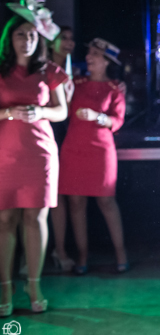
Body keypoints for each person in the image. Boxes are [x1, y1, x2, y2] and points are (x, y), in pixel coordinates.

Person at [0, 0, 68, 316]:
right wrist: (8, 113)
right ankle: (5, 287)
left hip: (40, 153)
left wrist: (40, 111)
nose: (26, 40)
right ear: (9, 38)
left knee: (35, 217)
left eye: (31, 34)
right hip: (5, 154)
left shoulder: (49, 70)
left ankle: (34, 284)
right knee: (5, 219)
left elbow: (61, 110)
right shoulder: (1, 70)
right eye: (20, 34)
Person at [58, 38, 128, 275]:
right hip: (74, 148)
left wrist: (97, 116)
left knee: (106, 201)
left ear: (107, 61)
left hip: (101, 150)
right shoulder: (76, 83)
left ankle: (121, 253)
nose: (89, 57)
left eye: (95, 54)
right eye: (89, 53)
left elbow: (117, 120)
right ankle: (82, 255)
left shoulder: (115, 88)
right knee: (76, 203)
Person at [48, 26, 77, 272]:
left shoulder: (73, 71)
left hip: (68, 135)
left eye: (71, 39)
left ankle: (60, 250)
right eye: (63, 38)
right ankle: (27, 256)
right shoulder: (42, 68)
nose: (69, 42)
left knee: (60, 194)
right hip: (46, 132)